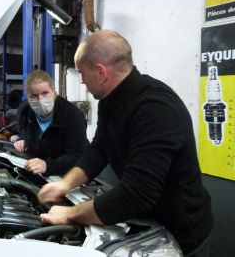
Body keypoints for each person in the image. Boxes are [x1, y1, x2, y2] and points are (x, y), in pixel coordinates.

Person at [38, 30, 213, 256]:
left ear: (101, 72)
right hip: (149, 223)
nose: (81, 80)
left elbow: (136, 195)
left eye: (82, 73)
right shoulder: (110, 100)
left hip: (182, 233)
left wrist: (69, 214)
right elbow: (100, 148)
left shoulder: (155, 109)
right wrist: (65, 184)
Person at [13, 70, 89, 176]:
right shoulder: (24, 112)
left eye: (45, 93)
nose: (40, 99)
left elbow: (78, 155)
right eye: (34, 95)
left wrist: (48, 166)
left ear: (53, 91)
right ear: (27, 96)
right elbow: (23, 132)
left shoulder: (72, 116)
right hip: (36, 171)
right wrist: (22, 140)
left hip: (68, 175)